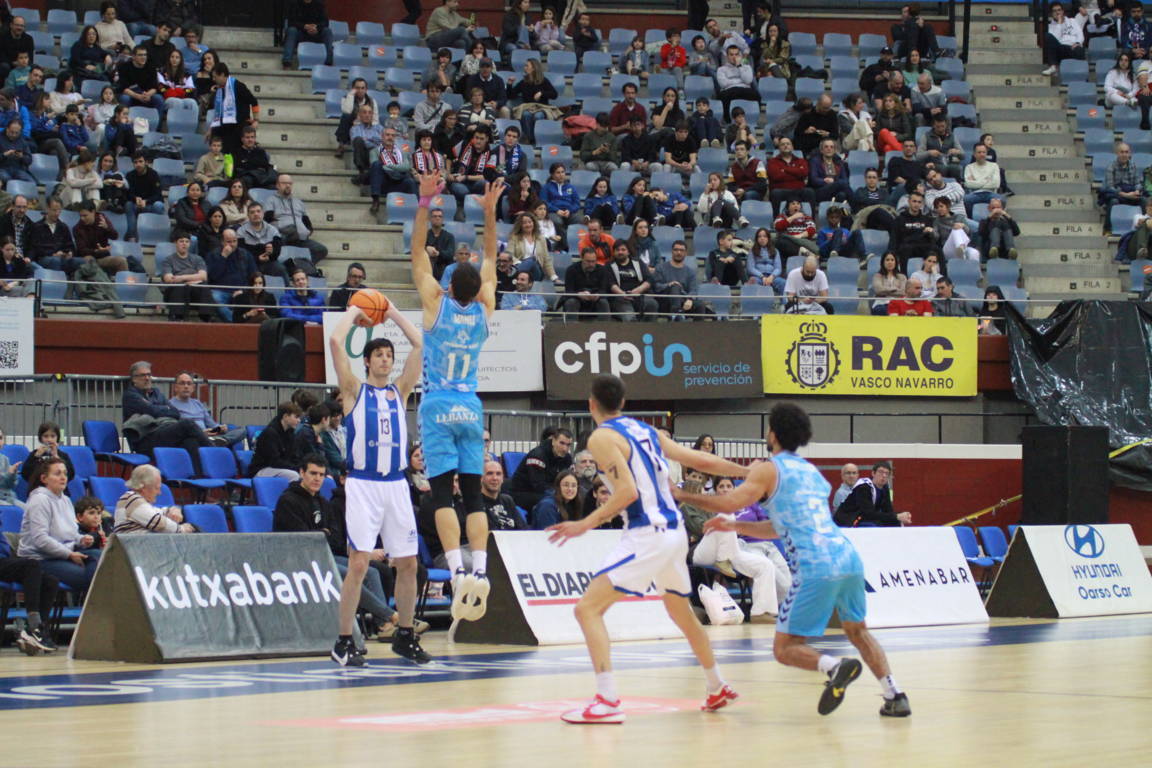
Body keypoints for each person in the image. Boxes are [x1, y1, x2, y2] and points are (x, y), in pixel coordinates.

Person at [682, 403, 912, 718]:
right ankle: (894, 694)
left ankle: (833, 666)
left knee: (784, 648)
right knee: (858, 631)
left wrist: (682, 495)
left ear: (773, 434)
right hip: (848, 557)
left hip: (816, 565)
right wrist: (736, 527)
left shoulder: (769, 468)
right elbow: (781, 525)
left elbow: (729, 501)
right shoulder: (810, 471)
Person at [547, 373, 746, 723]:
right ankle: (717, 685)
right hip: (674, 532)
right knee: (680, 612)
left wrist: (583, 524)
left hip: (647, 533)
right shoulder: (645, 430)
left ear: (591, 404)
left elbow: (627, 493)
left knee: (587, 610)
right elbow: (699, 459)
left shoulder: (602, 437)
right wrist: (745, 470)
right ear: (623, 403)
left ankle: (607, 701)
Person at [413, 170, 501, 624]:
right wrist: (490, 214)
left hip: (438, 405)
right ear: (478, 290)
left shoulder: (436, 303)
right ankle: (481, 570)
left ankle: (457, 570)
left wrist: (424, 202)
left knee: (442, 497)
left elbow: (417, 256)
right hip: (470, 406)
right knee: (474, 496)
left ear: (448, 286)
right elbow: (492, 257)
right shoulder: (486, 308)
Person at [327, 271, 426, 664]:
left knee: (409, 563)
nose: (386, 359)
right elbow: (336, 341)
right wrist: (357, 309)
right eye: (379, 355)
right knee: (358, 564)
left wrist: (390, 310)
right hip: (364, 485)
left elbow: (418, 343)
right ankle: (343, 641)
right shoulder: (354, 391)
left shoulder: (400, 391)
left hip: (397, 484)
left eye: (389, 355)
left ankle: (405, 635)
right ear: (367, 361)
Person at [18, 457, 102, 592]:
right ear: (44, 478)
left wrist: (81, 539)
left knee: (102, 558)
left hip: (66, 554)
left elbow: (72, 533)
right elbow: (41, 540)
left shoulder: (66, 500)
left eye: (65, 473)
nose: (63, 477)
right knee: (92, 576)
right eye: (57, 474)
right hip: (40, 559)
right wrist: (69, 554)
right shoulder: (39, 500)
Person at [121, 361, 221, 473]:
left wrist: (157, 409)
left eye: (149, 375)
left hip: (162, 432)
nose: (147, 378)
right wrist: (162, 409)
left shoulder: (156, 393)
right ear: (134, 379)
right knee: (187, 424)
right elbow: (152, 411)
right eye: (143, 375)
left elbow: (175, 412)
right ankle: (215, 454)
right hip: (144, 441)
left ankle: (196, 480)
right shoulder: (130, 395)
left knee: (191, 442)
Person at [169, 371, 248, 447]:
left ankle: (219, 441)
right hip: (191, 438)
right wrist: (201, 433)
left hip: (210, 435)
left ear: (193, 388)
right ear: (176, 387)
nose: (186, 386)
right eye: (182, 383)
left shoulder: (198, 403)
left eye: (189, 383)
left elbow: (212, 424)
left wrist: (220, 428)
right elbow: (175, 431)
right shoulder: (170, 405)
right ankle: (218, 442)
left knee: (242, 430)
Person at [505, 427, 574, 512]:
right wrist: (560, 494)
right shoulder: (537, 455)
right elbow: (538, 485)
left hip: (546, 492)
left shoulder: (567, 458)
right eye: (562, 443)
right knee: (552, 501)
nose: (565, 448)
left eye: (568, 445)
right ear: (553, 441)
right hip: (522, 493)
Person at [113, 464, 195, 533]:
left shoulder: (136, 501)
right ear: (143, 487)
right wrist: (181, 529)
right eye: (157, 488)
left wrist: (173, 510)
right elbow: (159, 523)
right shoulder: (132, 500)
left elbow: (158, 512)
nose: (159, 493)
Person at [267, 173, 327, 264]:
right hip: (283, 236)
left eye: (290, 183)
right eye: (284, 183)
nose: (287, 186)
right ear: (277, 185)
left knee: (321, 250)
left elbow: (306, 220)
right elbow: (267, 220)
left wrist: (308, 230)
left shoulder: (298, 202)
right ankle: (288, 266)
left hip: (300, 238)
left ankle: (303, 265)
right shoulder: (271, 200)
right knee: (275, 248)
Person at [834, 460, 912, 527]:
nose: (884, 475)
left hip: (864, 518)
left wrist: (901, 516)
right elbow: (868, 514)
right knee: (873, 526)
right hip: (848, 520)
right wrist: (896, 516)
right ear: (873, 473)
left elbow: (888, 511)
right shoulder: (864, 487)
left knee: (896, 522)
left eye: (887, 473)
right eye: (881, 472)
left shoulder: (885, 488)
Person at [159, 233, 217, 323]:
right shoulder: (168, 260)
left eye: (187, 241)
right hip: (174, 292)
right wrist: (193, 279)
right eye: (181, 241)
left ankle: (207, 316)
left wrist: (182, 277)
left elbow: (203, 276)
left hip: (194, 290)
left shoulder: (197, 259)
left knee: (203, 286)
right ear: (175, 243)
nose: (184, 244)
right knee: (180, 287)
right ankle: (177, 316)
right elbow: (169, 279)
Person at [210, 63, 260, 156]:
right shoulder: (218, 90)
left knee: (236, 154)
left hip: (238, 126)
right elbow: (217, 112)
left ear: (222, 75)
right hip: (223, 128)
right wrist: (211, 129)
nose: (213, 79)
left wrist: (256, 120)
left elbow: (253, 101)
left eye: (215, 77)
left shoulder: (238, 86)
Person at [606, 239, 657, 320]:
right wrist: (623, 294)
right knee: (629, 317)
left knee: (652, 304)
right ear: (614, 252)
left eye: (623, 249)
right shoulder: (609, 265)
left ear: (628, 252)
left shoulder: (638, 262)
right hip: (620, 298)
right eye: (617, 250)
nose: (620, 252)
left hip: (639, 296)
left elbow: (649, 279)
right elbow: (611, 284)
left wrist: (638, 290)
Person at [282, 0, 334, 69]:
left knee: (327, 31)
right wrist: (305, 26)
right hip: (301, 34)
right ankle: (287, 63)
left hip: (316, 34)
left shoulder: (320, 4)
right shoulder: (294, 4)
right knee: (291, 30)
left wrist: (316, 27)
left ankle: (329, 62)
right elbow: (291, 22)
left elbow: (325, 22)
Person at [562, 246, 611, 319]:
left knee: (603, 302)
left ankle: (605, 326)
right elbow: (568, 291)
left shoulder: (602, 270)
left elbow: (604, 290)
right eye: (588, 261)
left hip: (595, 299)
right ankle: (572, 325)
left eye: (593, 261)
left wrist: (598, 294)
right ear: (581, 258)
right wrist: (578, 294)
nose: (591, 264)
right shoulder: (571, 270)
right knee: (571, 302)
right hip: (577, 298)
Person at [480, 459, 527, 530]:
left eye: (498, 474)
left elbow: (523, 529)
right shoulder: (475, 503)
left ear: (502, 479)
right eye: (489, 473)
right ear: (481, 478)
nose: (495, 478)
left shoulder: (507, 500)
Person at [1042, 2, 1086, 76]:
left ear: (1063, 11)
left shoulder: (1072, 21)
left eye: (1059, 10)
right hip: (1061, 49)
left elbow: (1080, 33)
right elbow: (1056, 38)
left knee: (1080, 50)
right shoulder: (1050, 27)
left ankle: (1081, 74)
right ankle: (1053, 67)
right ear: (1051, 14)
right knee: (1048, 36)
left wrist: (1078, 42)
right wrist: (1059, 23)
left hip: (1074, 47)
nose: (1057, 12)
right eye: (1054, 11)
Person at [870, 251, 906, 315]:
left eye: (892, 260)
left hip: (897, 304)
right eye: (887, 260)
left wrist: (885, 291)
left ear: (896, 262)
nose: (890, 262)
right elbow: (879, 291)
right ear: (883, 262)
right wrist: (894, 289)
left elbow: (903, 292)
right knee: (881, 310)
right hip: (881, 304)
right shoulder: (877, 276)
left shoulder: (902, 277)